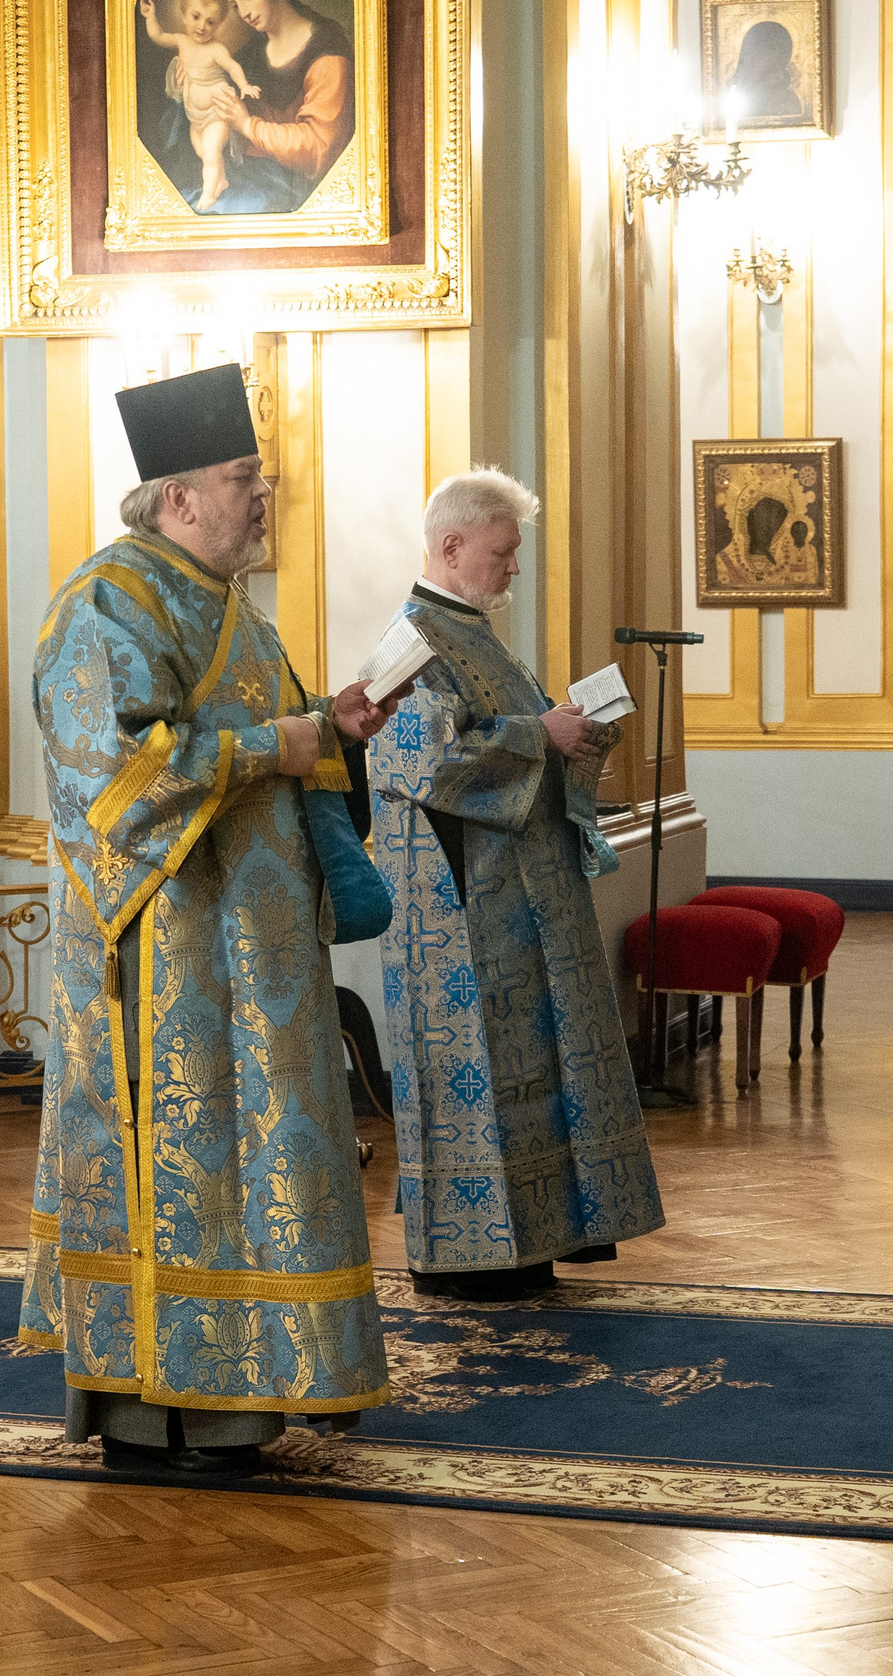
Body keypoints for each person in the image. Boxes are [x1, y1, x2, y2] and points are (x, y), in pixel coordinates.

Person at [16, 362, 401, 1479]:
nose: (261, 495)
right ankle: (158, 1414)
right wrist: (269, 746)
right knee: (180, 1172)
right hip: (165, 956)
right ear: (179, 498)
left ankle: (245, 1392)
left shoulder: (226, 605)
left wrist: (331, 727)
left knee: (252, 1170)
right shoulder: (107, 603)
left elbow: (276, 738)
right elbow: (114, 777)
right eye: (244, 477)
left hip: (254, 954)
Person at [365, 470, 666, 1301]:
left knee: (536, 1073)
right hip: (462, 919)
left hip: (520, 904)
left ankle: (532, 1243)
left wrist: (566, 729)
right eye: (503, 553)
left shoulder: (474, 634)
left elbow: (507, 734)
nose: (513, 569)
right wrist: (542, 731)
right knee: (482, 1077)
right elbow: (414, 759)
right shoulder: (411, 640)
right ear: (452, 545)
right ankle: (472, 1259)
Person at [175, 0, 354, 213]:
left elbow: (318, 146)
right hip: (243, 177)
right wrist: (193, 80)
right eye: (236, 5)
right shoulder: (252, 50)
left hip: (295, 193)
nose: (245, 13)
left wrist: (247, 125)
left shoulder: (328, 56)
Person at [139, 0, 261, 211]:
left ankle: (207, 194)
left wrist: (244, 85)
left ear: (219, 24)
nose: (202, 26)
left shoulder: (216, 49)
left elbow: (232, 67)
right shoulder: (182, 41)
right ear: (184, 16)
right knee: (202, 152)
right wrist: (150, 17)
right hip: (195, 116)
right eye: (196, 17)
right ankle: (221, 180)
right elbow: (157, 36)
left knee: (212, 152)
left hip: (216, 113)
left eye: (211, 22)